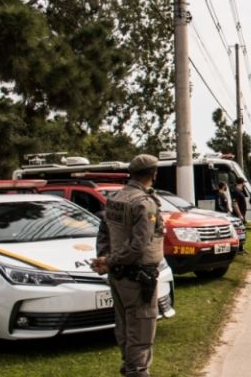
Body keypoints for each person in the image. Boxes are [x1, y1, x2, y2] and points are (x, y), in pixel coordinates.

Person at [91, 154, 165, 377]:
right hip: (138, 276)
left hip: (119, 276)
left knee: (124, 326)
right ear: (153, 174)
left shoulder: (115, 198)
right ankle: (136, 371)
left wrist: (105, 258)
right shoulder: (144, 203)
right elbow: (139, 246)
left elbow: (103, 231)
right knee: (141, 331)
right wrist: (109, 261)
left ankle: (130, 366)